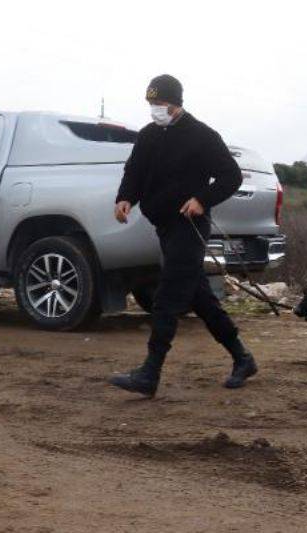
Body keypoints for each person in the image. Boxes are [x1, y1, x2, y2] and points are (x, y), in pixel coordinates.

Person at [110, 74, 257, 396]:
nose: (154, 110)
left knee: (167, 297)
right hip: (164, 226)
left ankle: (149, 374)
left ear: (176, 103)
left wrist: (202, 200)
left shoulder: (201, 136)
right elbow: (134, 172)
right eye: (151, 104)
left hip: (189, 228)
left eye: (160, 104)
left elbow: (230, 176)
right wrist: (125, 199)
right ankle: (243, 358)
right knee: (199, 298)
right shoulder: (148, 135)